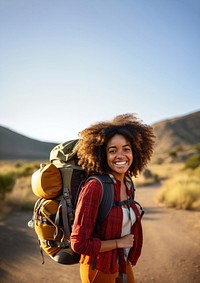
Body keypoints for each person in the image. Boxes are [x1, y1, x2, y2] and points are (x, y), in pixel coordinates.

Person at [70, 113, 155, 283]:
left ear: (135, 152)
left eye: (126, 149)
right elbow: (79, 244)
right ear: (102, 155)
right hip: (98, 267)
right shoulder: (95, 187)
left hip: (121, 262)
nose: (120, 155)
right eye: (112, 150)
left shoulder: (128, 183)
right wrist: (119, 243)